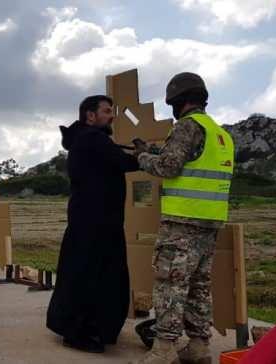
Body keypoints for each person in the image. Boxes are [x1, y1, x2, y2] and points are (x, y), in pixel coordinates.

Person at [133, 73, 234, 364]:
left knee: (169, 284)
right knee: (198, 286)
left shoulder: (186, 126)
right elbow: (189, 159)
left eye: (173, 104)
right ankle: (199, 348)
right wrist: (152, 148)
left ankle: (164, 349)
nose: (172, 111)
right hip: (209, 224)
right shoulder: (219, 134)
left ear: (180, 101)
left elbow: (169, 167)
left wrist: (142, 158)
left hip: (181, 224)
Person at [46, 95, 139, 353]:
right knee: (94, 277)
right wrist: (147, 156)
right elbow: (124, 162)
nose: (112, 116)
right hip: (97, 222)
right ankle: (80, 332)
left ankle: (79, 327)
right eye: (107, 111)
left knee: (82, 274)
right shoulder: (93, 138)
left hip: (91, 220)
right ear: (90, 115)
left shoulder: (84, 139)